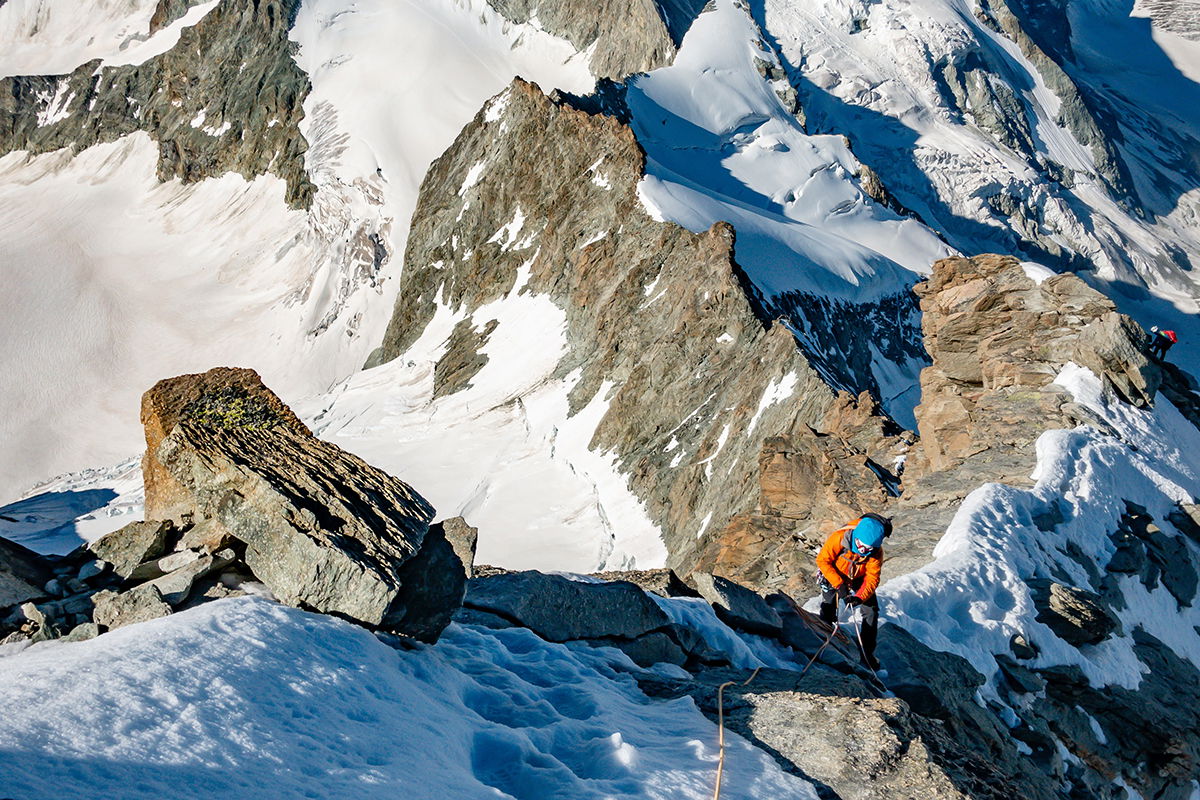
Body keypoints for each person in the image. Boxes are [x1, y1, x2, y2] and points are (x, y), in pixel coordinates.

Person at [816, 513, 891, 671]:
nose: (863, 550)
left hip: (859, 576)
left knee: (871, 612)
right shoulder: (839, 538)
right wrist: (839, 585)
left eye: (868, 548)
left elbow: (872, 578)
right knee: (829, 606)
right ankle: (823, 642)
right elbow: (823, 560)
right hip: (834, 572)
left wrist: (859, 597)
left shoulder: (876, 552)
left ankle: (867, 653)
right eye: (861, 545)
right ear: (855, 537)